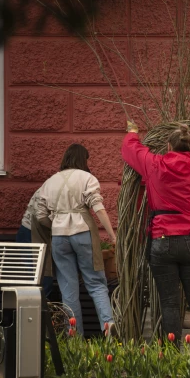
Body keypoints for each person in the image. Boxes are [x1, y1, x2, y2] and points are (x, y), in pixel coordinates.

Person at [121, 121, 190, 348]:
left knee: (170, 304)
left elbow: (131, 151)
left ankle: (172, 357)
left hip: (162, 241)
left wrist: (133, 133)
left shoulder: (156, 165)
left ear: (168, 146)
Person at [35, 144, 117, 336]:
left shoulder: (50, 182)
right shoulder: (87, 178)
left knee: (67, 288)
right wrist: (112, 235)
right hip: (83, 233)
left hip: (59, 237)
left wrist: (56, 223)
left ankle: (74, 338)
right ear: (83, 160)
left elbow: (40, 216)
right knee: (96, 283)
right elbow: (98, 208)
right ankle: (108, 326)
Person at [15, 187, 54, 299]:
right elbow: (41, 216)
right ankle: (35, 310)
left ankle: (37, 310)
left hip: (29, 231)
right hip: (32, 232)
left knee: (40, 277)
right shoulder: (55, 187)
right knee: (40, 278)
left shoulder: (52, 183)